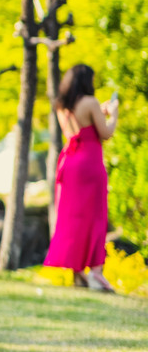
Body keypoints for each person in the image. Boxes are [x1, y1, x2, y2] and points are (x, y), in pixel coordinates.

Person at [43, 63, 119, 293]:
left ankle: (78, 273)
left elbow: (76, 129)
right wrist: (113, 114)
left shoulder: (61, 105)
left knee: (72, 216)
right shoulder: (90, 102)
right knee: (95, 216)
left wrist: (100, 111)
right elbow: (105, 133)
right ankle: (96, 272)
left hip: (69, 164)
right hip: (89, 164)